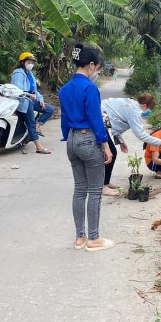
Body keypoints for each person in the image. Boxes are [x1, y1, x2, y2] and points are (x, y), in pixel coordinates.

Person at [59, 44, 114, 252]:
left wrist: (68, 137)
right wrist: (105, 145)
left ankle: (79, 238)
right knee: (94, 191)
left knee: (79, 190)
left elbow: (64, 119)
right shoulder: (89, 88)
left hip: (72, 140)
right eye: (97, 68)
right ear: (91, 65)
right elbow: (95, 119)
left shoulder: (65, 89)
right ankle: (94, 238)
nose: (97, 72)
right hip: (88, 139)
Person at [100, 94, 161, 196]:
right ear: (144, 106)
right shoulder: (134, 111)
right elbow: (141, 135)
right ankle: (102, 186)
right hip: (98, 118)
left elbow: (116, 121)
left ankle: (105, 183)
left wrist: (120, 141)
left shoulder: (131, 104)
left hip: (102, 117)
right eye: (149, 108)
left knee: (111, 153)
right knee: (109, 153)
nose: (149, 112)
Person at [10, 51, 53, 154]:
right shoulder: (18, 74)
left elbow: (34, 90)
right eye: (29, 62)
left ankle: (37, 127)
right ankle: (38, 147)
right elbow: (18, 90)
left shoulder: (29, 74)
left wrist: (41, 99)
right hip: (23, 102)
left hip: (31, 100)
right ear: (23, 62)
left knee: (49, 109)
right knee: (30, 122)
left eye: (32, 62)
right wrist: (29, 95)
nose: (31, 64)